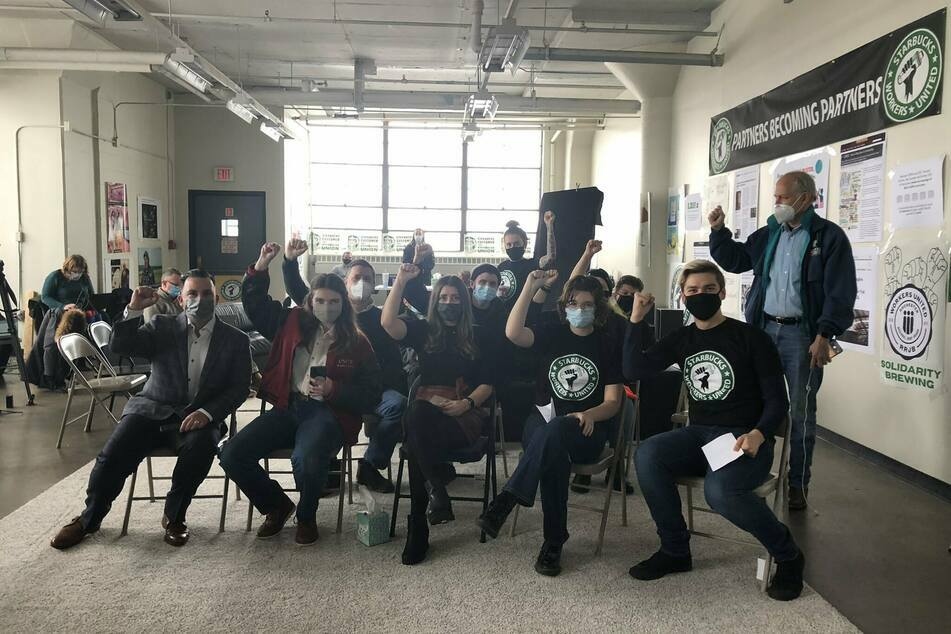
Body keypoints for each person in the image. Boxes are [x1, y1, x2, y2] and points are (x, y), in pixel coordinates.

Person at [623, 259, 804, 601]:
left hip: (743, 438)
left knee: (720, 492)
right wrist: (636, 319)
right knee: (647, 454)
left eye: (708, 289)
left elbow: (778, 402)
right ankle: (675, 550)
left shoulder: (751, 338)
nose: (700, 295)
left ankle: (788, 555)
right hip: (700, 433)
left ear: (722, 292)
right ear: (683, 296)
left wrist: (759, 434)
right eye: (692, 290)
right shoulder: (682, 338)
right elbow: (634, 367)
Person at [50, 270, 252, 550]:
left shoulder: (236, 340)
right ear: (181, 300)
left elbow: (239, 388)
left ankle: (174, 517)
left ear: (216, 299)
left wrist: (207, 413)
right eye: (192, 293)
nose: (200, 299)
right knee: (111, 456)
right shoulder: (161, 326)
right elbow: (119, 347)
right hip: (151, 408)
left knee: (202, 448)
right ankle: (89, 519)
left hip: (199, 415)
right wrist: (133, 309)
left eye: (206, 294)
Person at [708, 170, 856, 510]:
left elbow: (840, 291)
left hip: (803, 337)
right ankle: (749, 469)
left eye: (782, 197)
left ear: (804, 198)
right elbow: (736, 259)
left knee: (801, 412)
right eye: (775, 196)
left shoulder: (828, 237)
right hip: (763, 331)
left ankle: (797, 484)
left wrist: (825, 334)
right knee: (753, 403)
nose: (776, 203)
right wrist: (718, 231)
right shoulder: (771, 233)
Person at [219, 242, 382, 546]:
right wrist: (261, 264)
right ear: (310, 302)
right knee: (231, 454)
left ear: (344, 304)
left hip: (328, 414)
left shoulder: (357, 342)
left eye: (334, 302)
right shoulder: (290, 323)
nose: (327, 307)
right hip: (287, 407)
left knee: (306, 458)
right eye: (320, 300)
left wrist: (336, 389)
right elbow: (255, 306)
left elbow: (372, 394)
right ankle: (276, 506)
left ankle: (306, 516)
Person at [477, 272, 624, 577]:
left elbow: (613, 402)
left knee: (555, 434)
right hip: (542, 420)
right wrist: (529, 285)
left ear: (598, 309)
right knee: (552, 445)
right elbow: (514, 332)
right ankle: (553, 541)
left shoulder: (607, 344)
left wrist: (589, 415)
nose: (579, 308)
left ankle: (506, 500)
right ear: (564, 306)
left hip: (587, 430)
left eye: (586, 304)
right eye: (573, 302)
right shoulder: (552, 333)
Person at [381, 264, 494, 566]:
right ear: (435, 301)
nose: (449, 303)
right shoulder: (423, 329)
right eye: (443, 297)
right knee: (417, 413)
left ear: (464, 301)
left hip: (463, 412)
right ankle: (437, 490)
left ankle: (420, 524)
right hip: (427, 408)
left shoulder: (480, 335)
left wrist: (467, 404)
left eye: (455, 298)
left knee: (417, 439)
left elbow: (488, 383)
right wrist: (401, 282)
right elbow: (389, 323)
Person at [283, 237, 406, 493]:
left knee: (398, 406)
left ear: (375, 286)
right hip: (331, 386)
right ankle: (326, 463)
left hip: (376, 389)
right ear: (345, 284)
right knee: (319, 407)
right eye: (356, 278)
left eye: (368, 279)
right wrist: (290, 262)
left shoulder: (384, 317)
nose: (362, 283)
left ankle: (370, 466)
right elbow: (300, 292)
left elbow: (396, 359)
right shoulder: (330, 310)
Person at [496, 212, 556, 309]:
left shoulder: (532, 265)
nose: (512, 247)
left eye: (516, 243)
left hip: (525, 316)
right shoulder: (501, 267)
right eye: (509, 244)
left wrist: (549, 226)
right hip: (503, 315)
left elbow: (550, 258)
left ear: (524, 244)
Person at [401, 229, 435, 314]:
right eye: (416, 234)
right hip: (411, 281)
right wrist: (416, 260)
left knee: (423, 304)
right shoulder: (408, 248)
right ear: (413, 235)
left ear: (423, 235)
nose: (418, 236)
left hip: (424, 280)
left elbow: (431, 263)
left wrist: (423, 265)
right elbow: (405, 263)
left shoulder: (427, 247)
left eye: (420, 234)